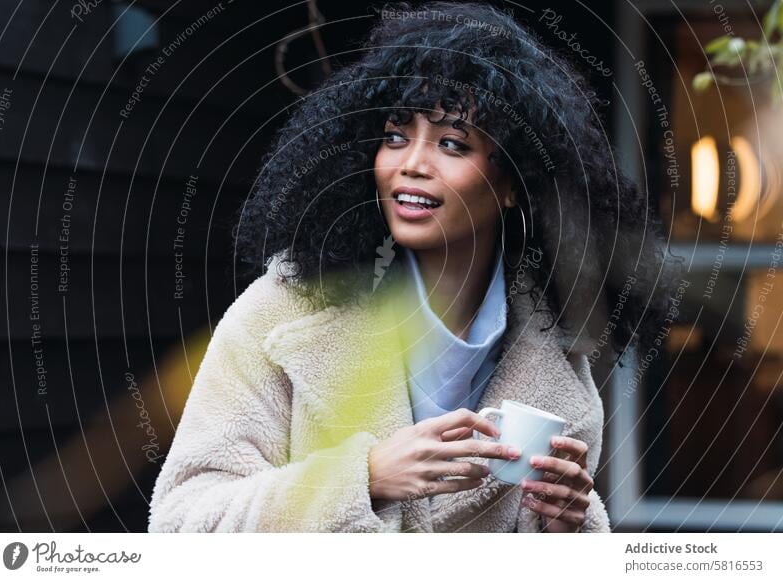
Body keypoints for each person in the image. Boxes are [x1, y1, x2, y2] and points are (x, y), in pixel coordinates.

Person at [148, 1, 678, 533]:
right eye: (395, 136)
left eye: (452, 143)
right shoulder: (285, 309)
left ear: (516, 182)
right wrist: (363, 478)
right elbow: (180, 523)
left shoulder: (558, 367)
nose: (412, 165)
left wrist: (568, 532)